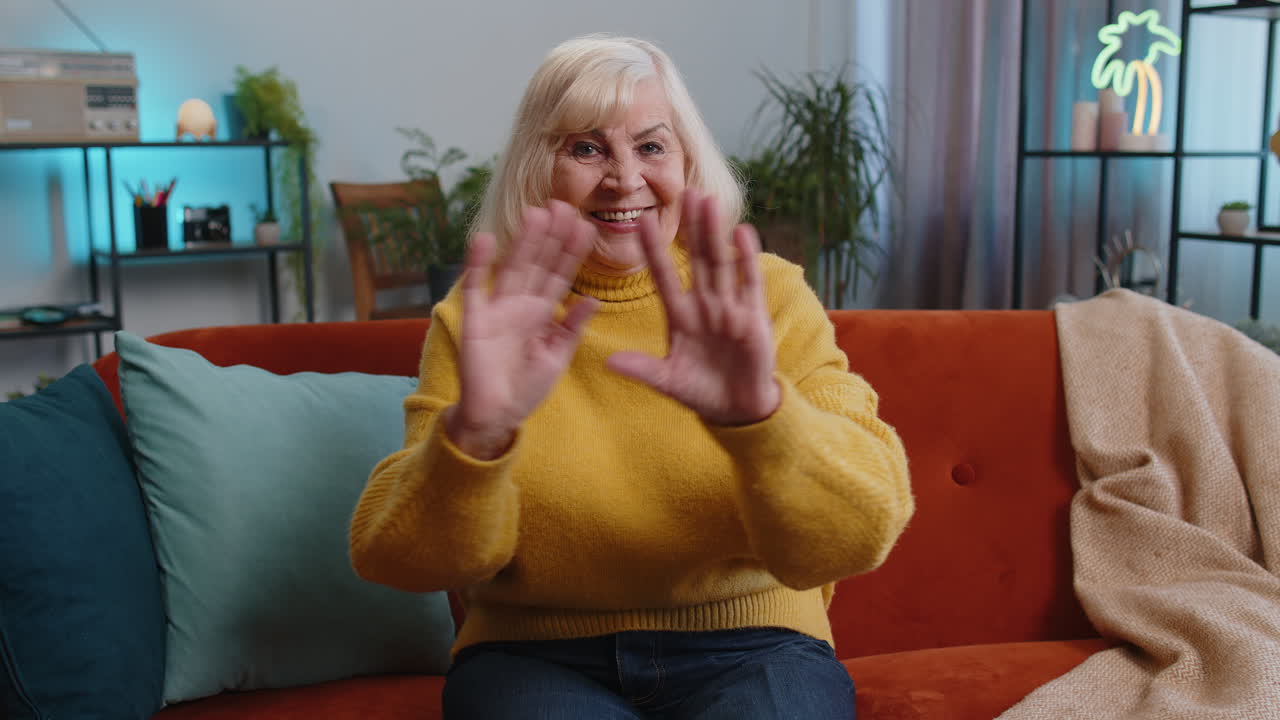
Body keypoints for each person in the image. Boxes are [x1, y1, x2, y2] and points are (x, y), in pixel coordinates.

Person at [349, 34, 913, 720]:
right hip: (532, 659)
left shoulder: (764, 296)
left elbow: (862, 531)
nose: (624, 178)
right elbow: (402, 560)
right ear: (538, 166)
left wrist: (761, 415)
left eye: (651, 146)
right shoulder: (486, 314)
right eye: (586, 148)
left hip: (756, 647)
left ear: (687, 160)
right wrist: (477, 434)